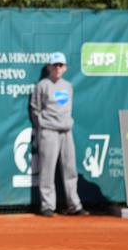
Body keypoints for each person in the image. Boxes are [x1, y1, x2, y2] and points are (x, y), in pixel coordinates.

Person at [30, 52, 88, 218]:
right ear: (49, 67)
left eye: (60, 65)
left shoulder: (68, 86)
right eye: (55, 65)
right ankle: (47, 206)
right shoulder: (42, 85)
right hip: (48, 132)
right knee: (47, 170)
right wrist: (42, 125)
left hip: (66, 132)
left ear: (65, 68)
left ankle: (74, 205)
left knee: (70, 170)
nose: (57, 68)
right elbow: (35, 109)